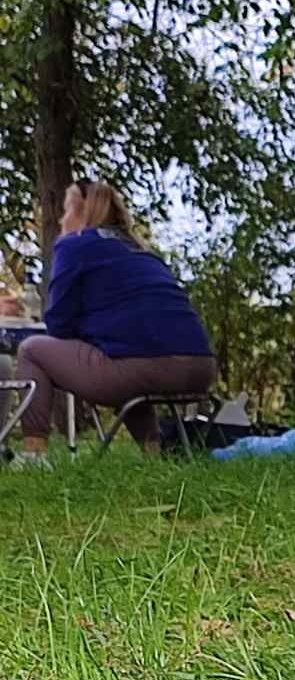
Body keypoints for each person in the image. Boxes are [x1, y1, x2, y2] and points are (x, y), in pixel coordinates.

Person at [11, 179, 217, 468]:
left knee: (32, 349)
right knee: (124, 358)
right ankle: (155, 455)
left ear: (84, 214)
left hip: (143, 368)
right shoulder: (144, 254)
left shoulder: (75, 245)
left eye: (67, 209)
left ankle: (33, 454)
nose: (61, 219)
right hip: (200, 368)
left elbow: (57, 324)